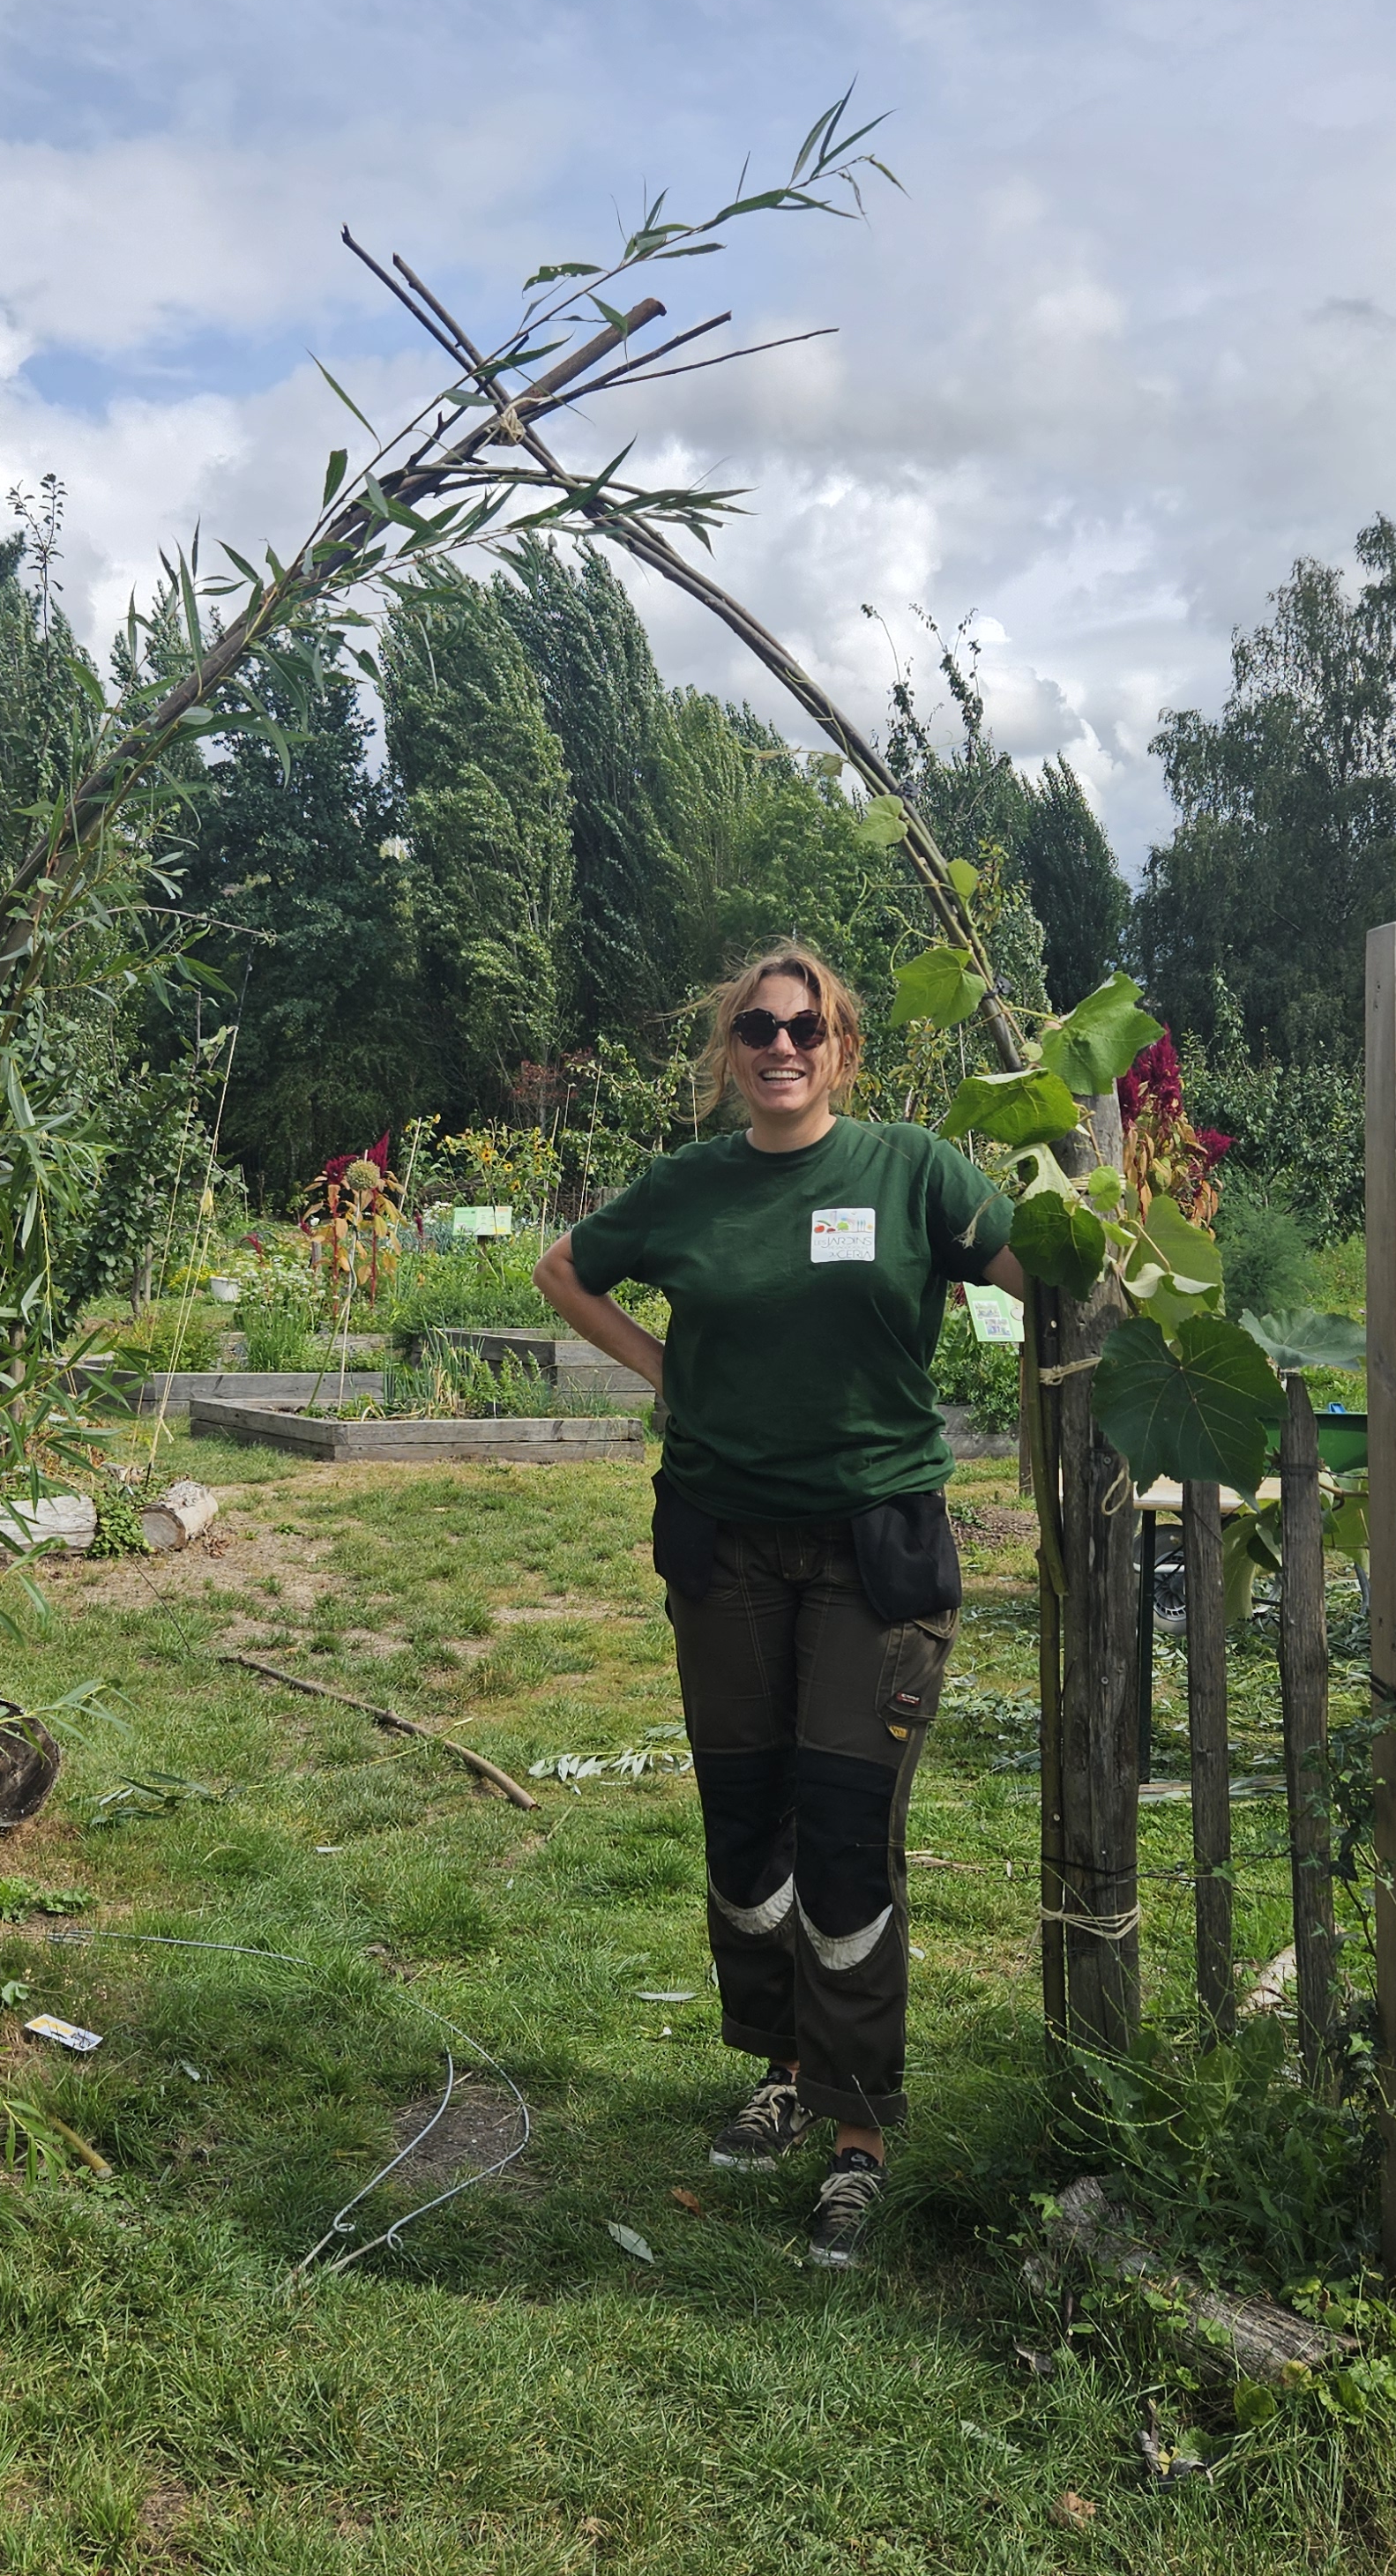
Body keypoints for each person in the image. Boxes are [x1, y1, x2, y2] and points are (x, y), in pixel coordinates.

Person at [534, 939, 1021, 2266]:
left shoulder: (912, 1170)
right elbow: (564, 1271)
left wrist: (1092, 1229)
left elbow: (1042, 1277)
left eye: (806, 1027)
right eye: (758, 1027)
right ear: (732, 1050)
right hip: (726, 1546)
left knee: (848, 1835)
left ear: (842, 1046)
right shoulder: (693, 1186)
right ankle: (786, 2068)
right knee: (748, 1823)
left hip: (875, 1545)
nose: (782, 1047)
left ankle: (861, 2130)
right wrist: (669, 1372)